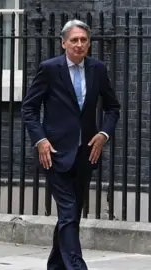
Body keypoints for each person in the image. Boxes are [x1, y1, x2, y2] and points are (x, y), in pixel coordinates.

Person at [21, 20, 120, 269]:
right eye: (74, 40)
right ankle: (77, 266)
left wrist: (104, 134)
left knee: (72, 214)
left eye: (83, 40)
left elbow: (112, 107)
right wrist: (41, 140)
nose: (79, 44)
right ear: (64, 43)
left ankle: (56, 265)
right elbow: (29, 109)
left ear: (88, 44)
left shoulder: (97, 69)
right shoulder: (50, 69)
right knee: (68, 211)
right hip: (53, 154)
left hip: (86, 153)